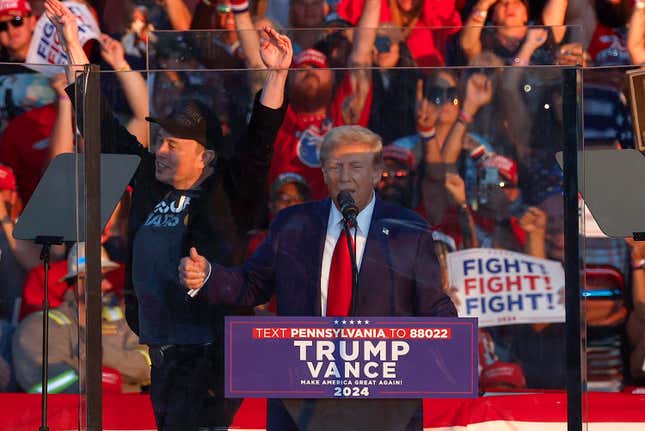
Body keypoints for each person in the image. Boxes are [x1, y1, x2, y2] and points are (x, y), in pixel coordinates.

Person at [43, 0, 290, 428]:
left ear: (206, 156)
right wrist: (71, 44)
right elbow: (96, 120)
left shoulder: (229, 189)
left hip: (212, 351)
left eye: (173, 145)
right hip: (162, 350)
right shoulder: (151, 181)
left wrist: (276, 75)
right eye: (159, 140)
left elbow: (261, 136)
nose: (159, 150)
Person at [180, 125, 457, 431]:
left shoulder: (408, 230)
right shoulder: (293, 224)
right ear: (323, 173)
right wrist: (208, 276)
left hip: (382, 402)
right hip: (302, 400)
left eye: (356, 166)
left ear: (377, 173)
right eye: (335, 167)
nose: (345, 176)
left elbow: (433, 306)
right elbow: (252, 284)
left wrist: (453, 338)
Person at [12, 243, 151, 394]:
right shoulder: (41, 326)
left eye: (105, 277)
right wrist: (111, 377)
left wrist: (90, 354)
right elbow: (43, 383)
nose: (107, 284)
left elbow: (147, 367)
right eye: (100, 277)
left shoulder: (125, 321)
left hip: (131, 413)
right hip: (64, 415)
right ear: (79, 280)